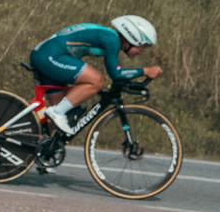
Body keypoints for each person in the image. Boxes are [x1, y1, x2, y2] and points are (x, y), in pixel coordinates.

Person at [30, 16, 161, 136]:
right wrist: (145, 71)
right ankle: (56, 112)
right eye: (143, 46)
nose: (142, 51)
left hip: (47, 54)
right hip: (50, 56)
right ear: (134, 38)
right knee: (96, 80)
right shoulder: (111, 40)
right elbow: (116, 74)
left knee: (61, 116)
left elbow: (117, 72)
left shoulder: (110, 37)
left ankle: (35, 143)